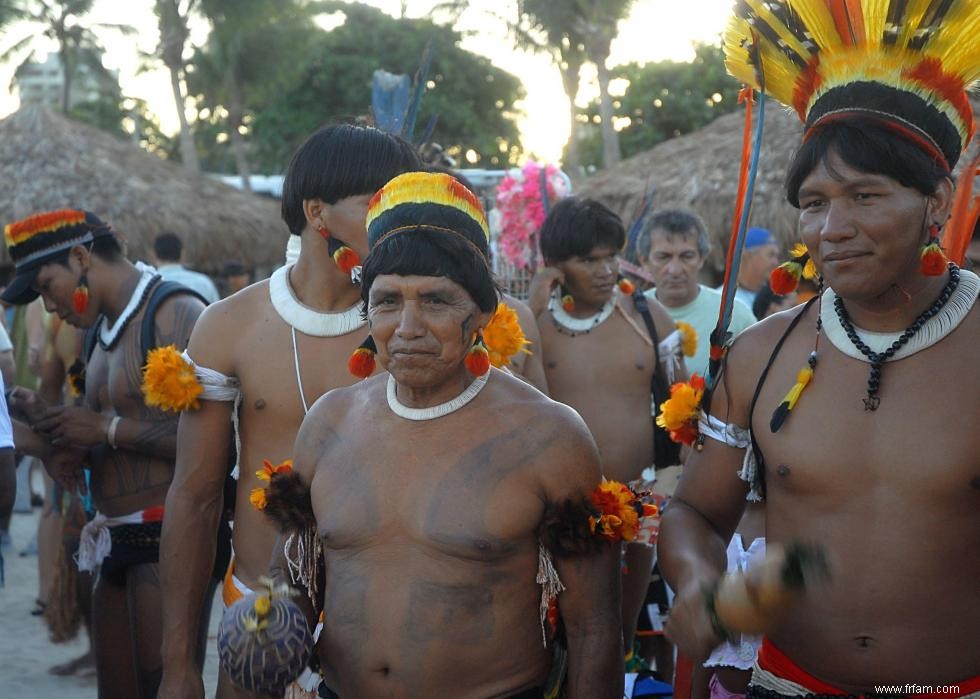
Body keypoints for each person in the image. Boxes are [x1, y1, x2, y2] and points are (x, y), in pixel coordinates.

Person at [659, 2, 980, 696]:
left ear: (938, 200)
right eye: (813, 201)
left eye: (866, 195)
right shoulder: (761, 354)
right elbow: (691, 511)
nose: (832, 228)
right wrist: (702, 584)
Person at [258, 171, 622, 698]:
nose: (407, 327)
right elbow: (290, 583)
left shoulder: (550, 437)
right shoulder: (328, 424)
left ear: (481, 314)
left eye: (434, 301)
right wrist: (263, 630)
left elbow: (594, 628)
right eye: (386, 302)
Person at [158, 123, 421, 699]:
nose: (399, 219)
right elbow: (195, 497)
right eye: (380, 202)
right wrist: (178, 664)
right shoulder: (230, 325)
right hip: (258, 624)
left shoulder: (419, 329)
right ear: (317, 212)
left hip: (387, 634)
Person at [1, 209, 209, 698]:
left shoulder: (174, 312)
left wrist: (105, 428)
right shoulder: (100, 330)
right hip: (112, 537)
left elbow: (213, 444)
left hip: (169, 539)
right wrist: (53, 429)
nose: (50, 307)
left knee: (161, 686)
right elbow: (99, 431)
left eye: (48, 286)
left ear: (80, 257)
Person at [528, 196, 683, 669]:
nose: (604, 270)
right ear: (554, 266)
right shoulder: (529, 326)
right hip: (556, 506)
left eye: (610, 256)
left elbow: (685, 410)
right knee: (558, 637)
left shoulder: (648, 317)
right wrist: (533, 305)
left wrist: (676, 477)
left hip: (638, 500)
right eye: (587, 259)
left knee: (619, 632)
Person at [639, 209, 756, 375]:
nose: (675, 269)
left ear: (702, 258)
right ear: (644, 260)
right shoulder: (630, 315)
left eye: (686, 256)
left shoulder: (735, 316)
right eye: (663, 257)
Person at [152, 231, 220, 304]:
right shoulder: (204, 283)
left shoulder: (147, 285)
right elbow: (219, 313)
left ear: (154, 255)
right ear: (182, 254)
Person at [726, 227, 779, 310]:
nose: (776, 262)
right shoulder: (724, 300)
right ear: (749, 256)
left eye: (776, 256)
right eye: (771, 255)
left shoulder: (776, 299)